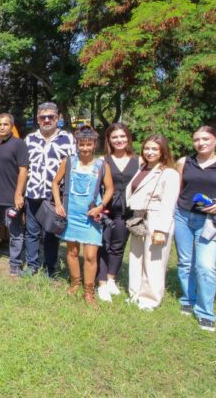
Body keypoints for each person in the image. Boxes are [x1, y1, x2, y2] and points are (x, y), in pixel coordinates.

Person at [174, 126, 216, 332]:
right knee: (185, 263)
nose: (201, 143)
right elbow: (177, 191)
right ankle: (188, 298)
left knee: (205, 266)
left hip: (210, 222)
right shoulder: (184, 162)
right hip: (183, 216)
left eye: (205, 139)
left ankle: (205, 312)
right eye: (196, 139)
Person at [52, 126, 113, 307]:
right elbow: (55, 183)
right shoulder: (69, 162)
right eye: (81, 144)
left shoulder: (102, 165)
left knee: (90, 255)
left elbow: (110, 189)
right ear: (77, 144)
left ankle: (88, 291)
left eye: (88, 144)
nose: (85, 148)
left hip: (91, 216)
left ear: (95, 145)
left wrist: (101, 207)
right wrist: (58, 204)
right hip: (71, 214)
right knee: (71, 252)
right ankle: (75, 283)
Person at [125, 134, 180, 311]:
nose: (150, 152)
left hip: (156, 218)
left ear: (163, 151)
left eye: (154, 149)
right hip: (139, 217)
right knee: (136, 258)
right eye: (147, 148)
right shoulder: (142, 168)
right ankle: (135, 293)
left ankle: (150, 299)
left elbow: (168, 203)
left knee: (154, 261)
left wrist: (161, 230)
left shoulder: (169, 173)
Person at [24, 102, 76, 277]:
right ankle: (32, 265)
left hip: (55, 195)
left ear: (57, 118)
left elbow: (72, 167)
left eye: (51, 117)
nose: (47, 120)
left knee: (51, 233)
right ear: (38, 119)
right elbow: (24, 167)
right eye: (43, 117)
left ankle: (50, 267)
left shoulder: (68, 139)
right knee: (31, 232)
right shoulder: (29, 139)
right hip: (32, 192)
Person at [96, 123, 140, 302]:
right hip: (105, 210)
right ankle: (101, 284)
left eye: (122, 136)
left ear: (128, 138)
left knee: (118, 246)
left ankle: (112, 278)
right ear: (109, 140)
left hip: (126, 211)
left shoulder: (139, 161)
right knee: (103, 245)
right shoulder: (102, 160)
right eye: (115, 137)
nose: (119, 140)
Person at [0, 113, 28, 276]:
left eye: (5, 124)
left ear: (11, 126)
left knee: (15, 231)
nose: (2, 127)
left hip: (11, 197)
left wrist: (18, 194)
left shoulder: (19, 144)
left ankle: (15, 262)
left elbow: (23, 170)